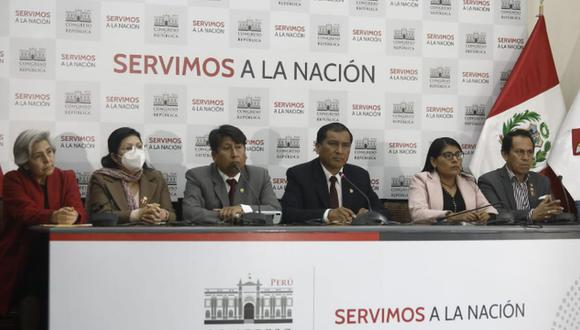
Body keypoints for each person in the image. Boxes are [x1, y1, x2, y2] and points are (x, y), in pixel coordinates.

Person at [0, 129, 87, 329]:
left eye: (50, 152)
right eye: (39, 156)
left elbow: (79, 209)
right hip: (23, 252)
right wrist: (54, 216)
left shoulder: (67, 176)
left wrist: (74, 216)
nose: (48, 160)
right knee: (36, 281)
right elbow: (25, 212)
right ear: (25, 161)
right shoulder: (13, 180)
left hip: (63, 252)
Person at [281, 122, 389, 225]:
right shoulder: (299, 174)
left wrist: (369, 215)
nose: (340, 151)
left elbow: (383, 213)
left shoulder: (359, 176)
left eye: (345, 145)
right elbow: (288, 213)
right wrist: (327, 214)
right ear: (318, 147)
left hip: (353, 240)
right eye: (333, 144)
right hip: (314, 239)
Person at [182, 125, 281, 224]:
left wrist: (243, 209)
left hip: (249, 237)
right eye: (227, 148)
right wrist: (234, 216)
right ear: (214, 155)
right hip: (213, 237)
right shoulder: (197, 176)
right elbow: (190, 212)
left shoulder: (260, 175)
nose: (235, 154)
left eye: (239, 147)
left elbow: (274, 211)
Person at [87, 127, 175, 224]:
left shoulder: (156, 177)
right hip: (117, 237)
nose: (136, 152)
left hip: (152, 237)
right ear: (115, 157)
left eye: (139, 146)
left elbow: (172, 215)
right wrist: (137, 215)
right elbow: (101, 216)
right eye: (128, 148)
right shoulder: (101, 179)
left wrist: (163, 214)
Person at [478, 129, 563, 222]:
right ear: (505, 155)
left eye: (530, 152)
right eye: (519, 152)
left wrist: (553, 211)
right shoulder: (489, 181)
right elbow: (496, 214)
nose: (526, 158)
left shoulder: (542, 181)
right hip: (505, 235)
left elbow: (548, 212)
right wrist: (530, 214)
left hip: (537, 235)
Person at [408, 137, 497, 224]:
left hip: (467, 236)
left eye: (458, 155)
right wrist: (451, 216)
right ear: (433, 161)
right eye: (448, 156)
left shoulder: (469, 181)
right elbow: (417, 214)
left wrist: (487, 215)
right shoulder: (421, 180)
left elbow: (488, 208)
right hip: (433, 236)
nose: (455, 160)